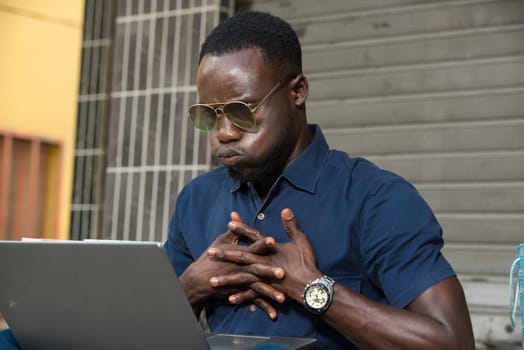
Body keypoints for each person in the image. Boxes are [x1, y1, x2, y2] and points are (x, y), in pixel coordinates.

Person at [163, 11, 475, 349]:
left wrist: (311, 288)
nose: (224, 133)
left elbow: (452, 342)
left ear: (297, 91)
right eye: (210, 115)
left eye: (243, 112)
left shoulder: (377, 199)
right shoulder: (196, 200)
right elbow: (140, 332)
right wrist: (190, 288)